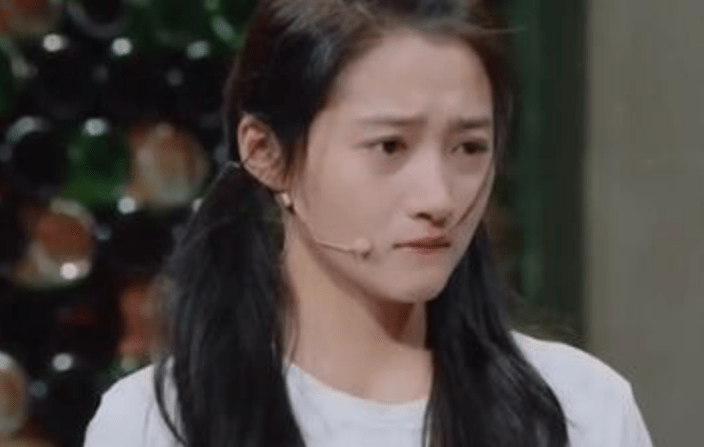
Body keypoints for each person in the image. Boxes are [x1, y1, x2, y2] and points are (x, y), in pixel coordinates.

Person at [83, 1, 653, 446]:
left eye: (469, 147)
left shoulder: (579, 410)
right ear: (265, 153)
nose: (438, 198)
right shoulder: (159, 424)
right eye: (389, 146)